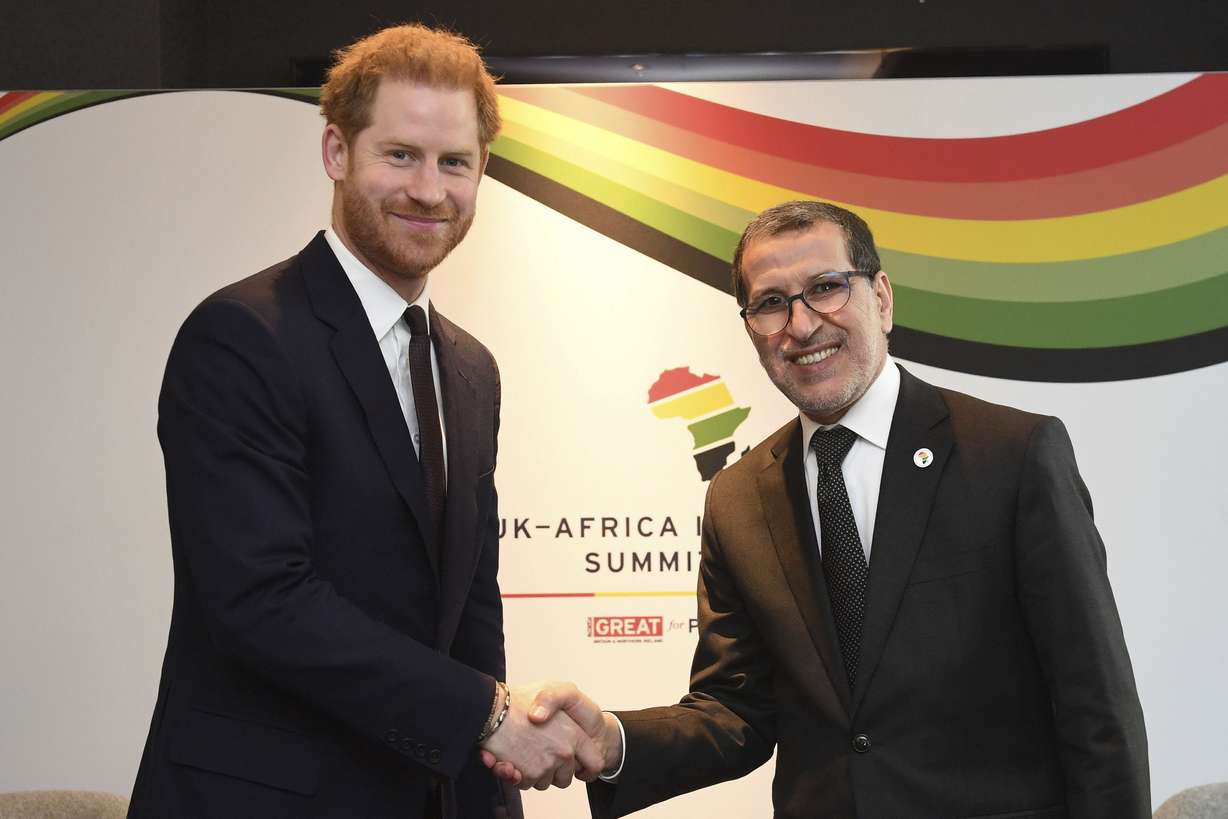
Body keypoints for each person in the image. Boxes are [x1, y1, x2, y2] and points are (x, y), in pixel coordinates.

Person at [509, 201, 1150, 817]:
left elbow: (1097, 712)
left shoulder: (1011, 454)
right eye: (771, 304)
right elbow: (735, 711)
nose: (803, 324)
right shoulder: (737, 499)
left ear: (882, 297)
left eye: (826, 287)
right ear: (751, 329)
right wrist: (614, 742)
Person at [127, 23, 600, 819]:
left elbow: (471, 615)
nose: (429, 189)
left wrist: (494, 783)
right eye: (400, 155)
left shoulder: (470, 368)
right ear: (337, 154)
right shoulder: (241, 335)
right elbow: (262, 601)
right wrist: (486, 715)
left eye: (456, 162)